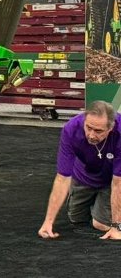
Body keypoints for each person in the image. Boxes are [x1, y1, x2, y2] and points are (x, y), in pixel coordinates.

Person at [38, 100, 121, 240]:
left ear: (110, 128)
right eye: (88, 128)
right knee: (77, 219)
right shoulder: (71, 129)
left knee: (101, 224)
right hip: (83, 176)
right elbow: (62, 178)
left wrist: (117, 227)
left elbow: (118, 183)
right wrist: (48, 222)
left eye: (98, 131)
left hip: (111, 179)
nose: (91, 135)